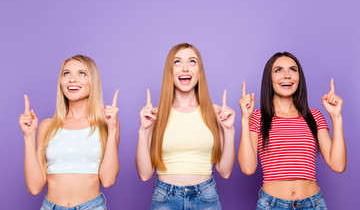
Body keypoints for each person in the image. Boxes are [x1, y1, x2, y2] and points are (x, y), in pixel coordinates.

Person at [238, 52, 347, 209]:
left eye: (293, 70)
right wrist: (244, 119)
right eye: (278, 70)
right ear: (269, 79)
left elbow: (338, 165)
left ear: (299, 78)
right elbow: (248, 168)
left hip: (313, 204)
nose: (287, 75)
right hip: (272, 204)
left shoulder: (314, 116)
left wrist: (336, 117)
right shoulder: (258, 117)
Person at [136, 43, 236, 210]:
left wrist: (229, 130)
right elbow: (145, 174)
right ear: (170, 72)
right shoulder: (156, 114)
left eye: (192, 62)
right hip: (165, 199)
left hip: (206, 198)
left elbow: (225, 171)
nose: (185, 68)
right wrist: (143, 131)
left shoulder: (214, 112)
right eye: (177, 62)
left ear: (199, 71)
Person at [19, 55, 120, 210]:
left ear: (92, 80)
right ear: (61, 82)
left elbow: (108, 180)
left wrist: (112, 129)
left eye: (82, 73)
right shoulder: (47, 126)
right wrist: (28, 136)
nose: (72, 79)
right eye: (66, 73)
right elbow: (34, 187)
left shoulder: (106, 124)